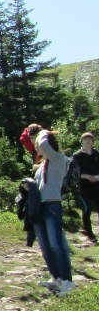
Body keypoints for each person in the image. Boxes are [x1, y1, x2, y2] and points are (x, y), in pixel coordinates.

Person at [21, 125, 75, 294]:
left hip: (52, 204)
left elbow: (43, 146)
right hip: (39, 207)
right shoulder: (41, 164)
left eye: (38, 142)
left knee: (56, 244)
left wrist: (43, 133)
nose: (36, 146)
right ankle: (56, 278)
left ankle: (67, 280)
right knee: (45, 245)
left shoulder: (58, 159)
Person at [73, 131, 99, 247]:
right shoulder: (77, 155)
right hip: (83, 185)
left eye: (90, 139)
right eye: (85, 139)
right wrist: (87, 176)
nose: (88, 141)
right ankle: (90, 234)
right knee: (87, 209)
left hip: (97, 184)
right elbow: (74, 172)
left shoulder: (96, 154)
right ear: (82, 141)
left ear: (93, 142)